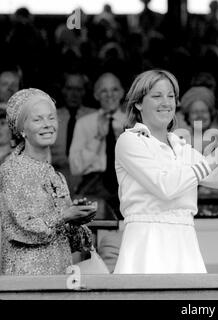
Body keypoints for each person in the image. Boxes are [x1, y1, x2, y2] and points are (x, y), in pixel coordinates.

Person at [113, 70, 218, 274]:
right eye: (156, 96)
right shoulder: (130, 141)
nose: (166, 102)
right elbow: (166, 187)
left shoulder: (180, 146)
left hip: (185, 243)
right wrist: (216, 157)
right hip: (147, 241)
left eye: (171, 96)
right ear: (138, 103)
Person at [0, 88, 95, 275]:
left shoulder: (56, 176)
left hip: (59, 274)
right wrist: (65, 216)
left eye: (51, 118)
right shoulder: (11, 170)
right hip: (26, 276)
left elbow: (75, 242)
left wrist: (78, 220)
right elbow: (21, 229)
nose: (47, 125)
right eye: (37, 119)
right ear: (22, 129)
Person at [68, 72, 126, 218]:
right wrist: (97, 137)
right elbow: (75, 168)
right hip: (93, 189)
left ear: (122, 93)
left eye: (114, 90)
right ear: (96, 95)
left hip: (128, 186)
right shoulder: (85, 123)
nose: (109, 95)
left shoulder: (132, 122)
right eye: (103, 91)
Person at [51, 71, 96, 194]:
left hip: (87, 183)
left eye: (79, 89)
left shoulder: (95, 117)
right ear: (63, 90)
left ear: (84, 91)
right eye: (69, 88)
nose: (74, 94)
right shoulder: (49, 117)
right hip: (54, 180)